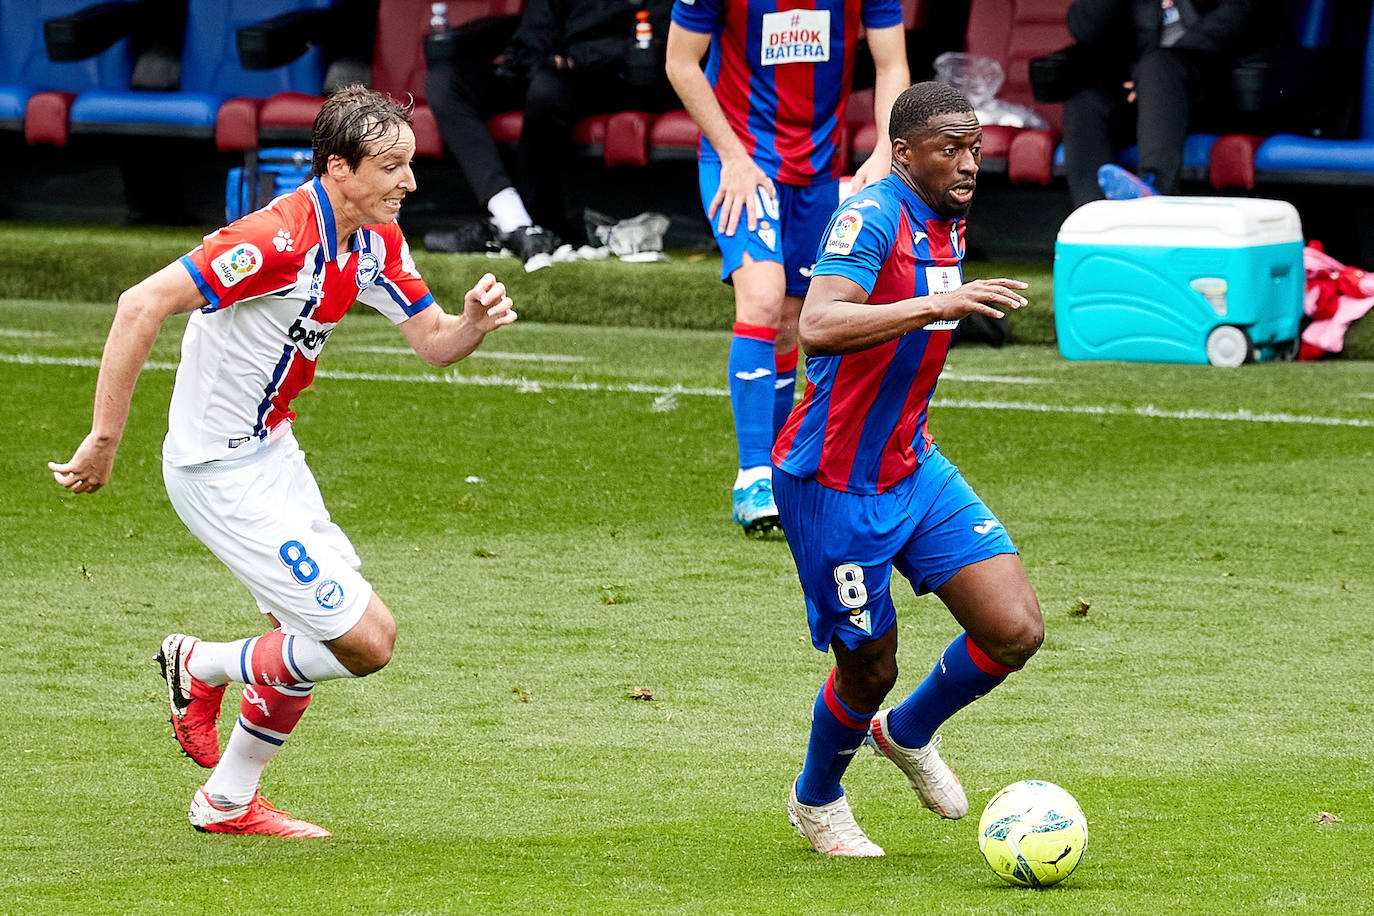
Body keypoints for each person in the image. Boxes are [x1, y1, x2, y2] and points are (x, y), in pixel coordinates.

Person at [48, 85, 517, 838]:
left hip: (272, 454)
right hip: (215, 472)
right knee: (366, 642)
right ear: (338, 167)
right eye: (392, 165)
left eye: (410, 162)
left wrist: (471, 323)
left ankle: (225, 802)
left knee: (303, 638)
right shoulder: (275, 238)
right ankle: (198, 664)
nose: (410, 181)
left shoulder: (374, 240)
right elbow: (140, 304)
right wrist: (104, 438)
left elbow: (434, 345)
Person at [772, 81, 1044, 857]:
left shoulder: (947, 215)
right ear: (902, 153)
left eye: (976, 149)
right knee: (868, 669)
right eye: (950, 149)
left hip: (912, 466)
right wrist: (935, 307)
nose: (968, 164)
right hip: (832, 483)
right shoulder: (874, 214)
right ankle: (816, 799)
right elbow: (818, 324)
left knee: (1015, 630)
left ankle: (909, 731)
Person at [665, 0, 911, 536]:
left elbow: (892, 63)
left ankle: (779, 473)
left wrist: (885, 153)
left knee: (798, 318)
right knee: (763, 295)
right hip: (740, 159)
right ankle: (752, 474)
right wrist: (731, 154)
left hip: (819, 167)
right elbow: (680, 61)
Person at [423, 0, 678, 264]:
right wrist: (532, 59)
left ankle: (527, 225)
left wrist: (573, 59)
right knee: (445, 82)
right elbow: (534, 32)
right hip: (543, 68)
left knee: (546, 90)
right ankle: (513, 219)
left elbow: (656, 37)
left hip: (610, 76)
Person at [1060, 0, 1267, 206]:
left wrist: (1151, 76)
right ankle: (1093, 217)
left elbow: (1243, 14)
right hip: (1148, 102)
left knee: (1158, 68)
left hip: (1221, 89)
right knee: (1085, 104)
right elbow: (1083, 28)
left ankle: (1153, 192)